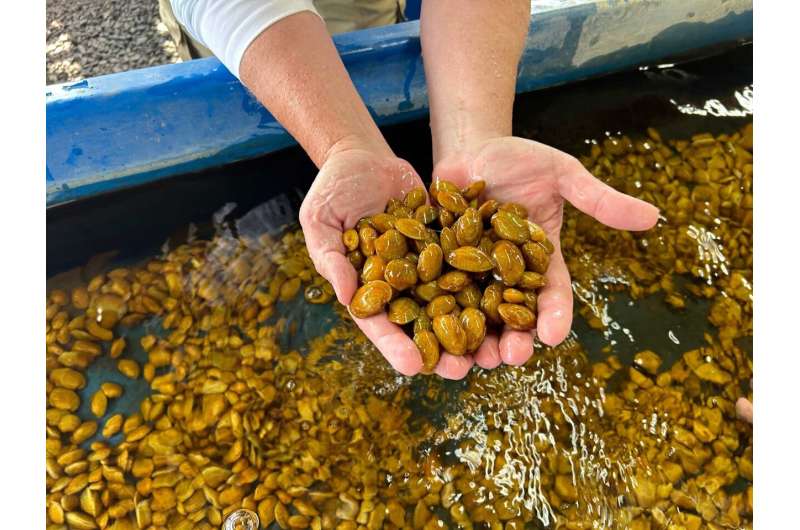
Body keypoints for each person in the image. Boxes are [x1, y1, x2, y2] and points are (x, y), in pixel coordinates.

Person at [165, 0, 660, 379]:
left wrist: (475, 133)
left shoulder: (460, 258)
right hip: (247, 23)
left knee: (365, 19)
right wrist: (340, 141)